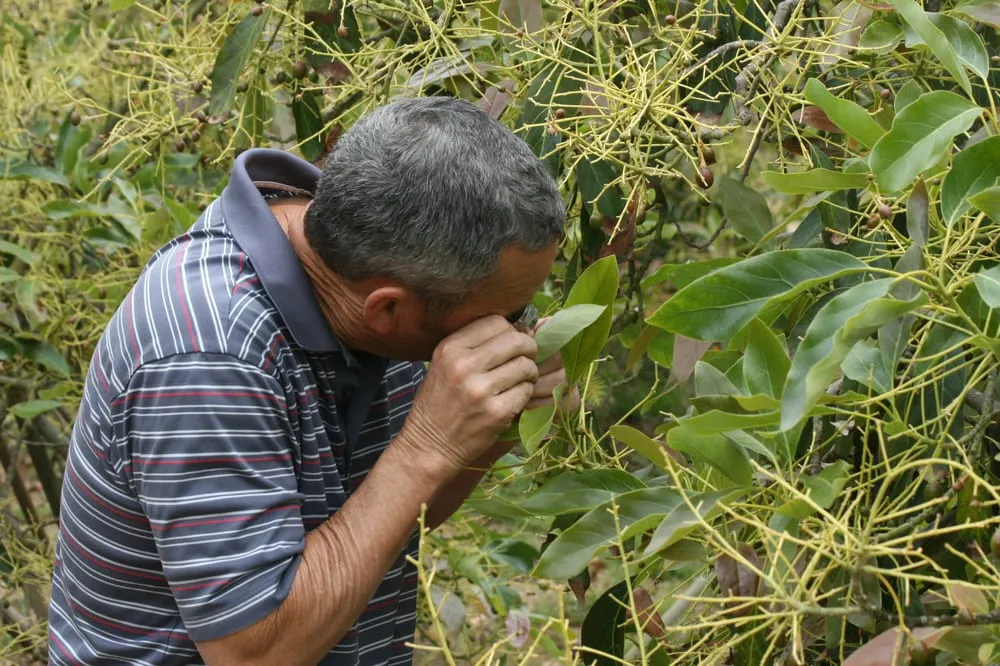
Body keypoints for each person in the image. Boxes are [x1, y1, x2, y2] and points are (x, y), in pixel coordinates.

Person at [48, 96, 574, 665]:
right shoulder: (209, 355)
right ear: (387, 309)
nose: (514, 332)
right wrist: (429, 444)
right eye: (506, 313)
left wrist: (490, 425)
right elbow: (252, 653)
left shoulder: (370, 258)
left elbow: (386, 518)